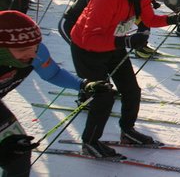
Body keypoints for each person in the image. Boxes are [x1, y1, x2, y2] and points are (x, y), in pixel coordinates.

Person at [69, 0, 180, 158]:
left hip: (114, 43)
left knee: (132, 90)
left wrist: (173, 18)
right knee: (104, 96)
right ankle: (89, 142)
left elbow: (149, 19)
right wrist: (124, 42)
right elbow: (90, 38)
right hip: (86, 49)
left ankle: (128, 131)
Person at [0, 10, 111, 176]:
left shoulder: (36, 52)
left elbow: (52, 73)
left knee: (18, 155)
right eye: (23, 49)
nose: (32, 54)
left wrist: (83, 85)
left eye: (35, 47)